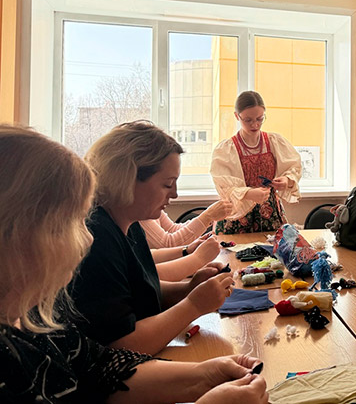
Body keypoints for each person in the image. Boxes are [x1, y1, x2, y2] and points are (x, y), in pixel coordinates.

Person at [0, 125, 268, 403]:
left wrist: (205, 375)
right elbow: (120, 344)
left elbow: (102, 368)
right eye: (69, 223)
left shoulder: (36, 322)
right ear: (15, 235)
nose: (88, 237)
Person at [70, 121, 234, 355]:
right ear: (127, 179)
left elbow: (139, 292)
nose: (174, 194)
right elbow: (123, 345)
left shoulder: (130, 224)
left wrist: (189, 288)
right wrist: (193, 305)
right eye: (167, 184)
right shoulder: (96, 238)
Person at [211, 91, 301, 234]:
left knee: (272, 247)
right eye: (248, 120)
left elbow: (293, 166)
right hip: (237, 217)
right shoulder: (226, 150)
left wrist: (286, 180)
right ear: (237, 116)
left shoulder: (274, 142)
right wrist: (248, 193)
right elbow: (224, 187)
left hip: (270, 215)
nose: (255, 124)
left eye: (260, 118)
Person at [140, 201, 233, 248]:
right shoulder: (139, 210)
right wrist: (207, 216)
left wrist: (209, 217)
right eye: (168, 184)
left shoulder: (149, 203)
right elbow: (168, 245)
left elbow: (172, 229)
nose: (174, 194)